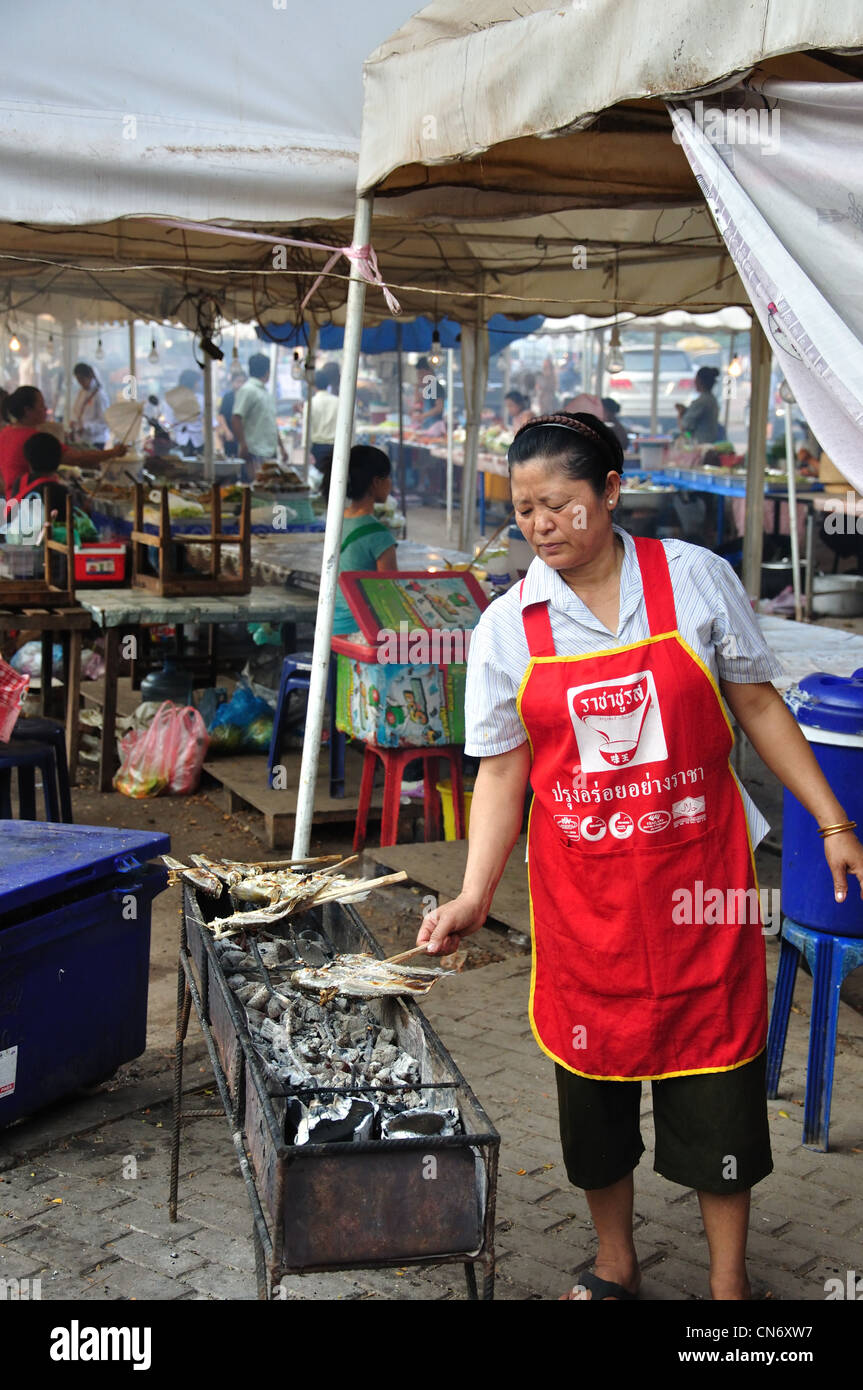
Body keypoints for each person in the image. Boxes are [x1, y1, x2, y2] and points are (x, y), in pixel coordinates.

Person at [417, 410, 863, 1302]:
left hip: (703, 889)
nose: (541, 526)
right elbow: (502, 773)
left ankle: (728, 1288)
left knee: (719, 1081)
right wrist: (472, 893)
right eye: (526, 510)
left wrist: (829, 820)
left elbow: (759, 706)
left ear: (610, 493)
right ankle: (614, 1262)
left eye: (560, 505)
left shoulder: (693, 580)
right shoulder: (510, 624)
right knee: (594, 1089)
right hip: (586, 906)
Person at [321, 445, 397, 636]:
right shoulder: (379, 535)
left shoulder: (336, 521)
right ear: (376, 482)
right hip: (359, 632)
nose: (390, 483)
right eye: (388, 477)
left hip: (329, 628)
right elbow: (389, 594)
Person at [0, 386, 124, 498]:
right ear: (28, 410)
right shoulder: (34, 439)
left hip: (13, 500)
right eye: (42, 405)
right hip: (33, 503)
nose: (46, 409)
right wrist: (113, 452)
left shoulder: (5, 432)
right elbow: (78, 459)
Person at [231, 352, 287, 480]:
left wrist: (282, 447)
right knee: (256, 490)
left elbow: (272, 423)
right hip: (254, 451)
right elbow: (236, 418)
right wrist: (243, 444)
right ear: (267, 372)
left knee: (266, 491)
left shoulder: (265, 393)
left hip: (268, 451)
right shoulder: (248, 390)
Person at [304, 367, 340, 466]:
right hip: (337, 449)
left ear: (313, 385)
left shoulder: (311, 403)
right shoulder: (339, 402)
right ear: (328, 383)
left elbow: (306, 429)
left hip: (317, 450)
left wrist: (306, 451)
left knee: (320, 479)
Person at [676, 366, 722, 443]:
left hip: (700, 444)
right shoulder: (712, 400)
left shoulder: (701, 402)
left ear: (699, 381)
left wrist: (681, 414)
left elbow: (685, 427)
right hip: (710, 441)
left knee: (680, 436)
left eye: (696, 379)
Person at [70, 362, 110, 447]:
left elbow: (104, 422)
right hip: (83, 438)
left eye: (82, 380)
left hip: (96, 440)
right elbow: (76, 411)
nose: (80, 383)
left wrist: (86, 427)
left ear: (90, 376)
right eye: (78, 381)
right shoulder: (81, 392)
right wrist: (74, 421)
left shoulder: (99, 395)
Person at [219, 364, 246, 457]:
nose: (240, 384)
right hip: (231, 436)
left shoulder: (247, 397)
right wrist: (227, 431)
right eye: (238, 382)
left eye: (243, 382)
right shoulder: (228, 397)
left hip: (245, 437)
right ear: (232, 382)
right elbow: (221, 416)